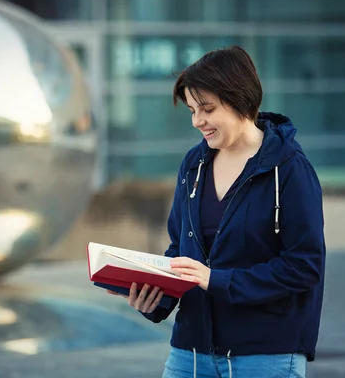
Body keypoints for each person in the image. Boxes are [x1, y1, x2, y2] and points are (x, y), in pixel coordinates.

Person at [109, 46, 325, 378]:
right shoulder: (193, 164)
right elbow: (180, 250)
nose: (198, 121)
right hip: (190, 353)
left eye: (207, 109)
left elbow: (304, 266)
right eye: (193, 110)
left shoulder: (290, 170)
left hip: (265, 354)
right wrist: (155, 298)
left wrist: (217, 280)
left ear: (240, 99)